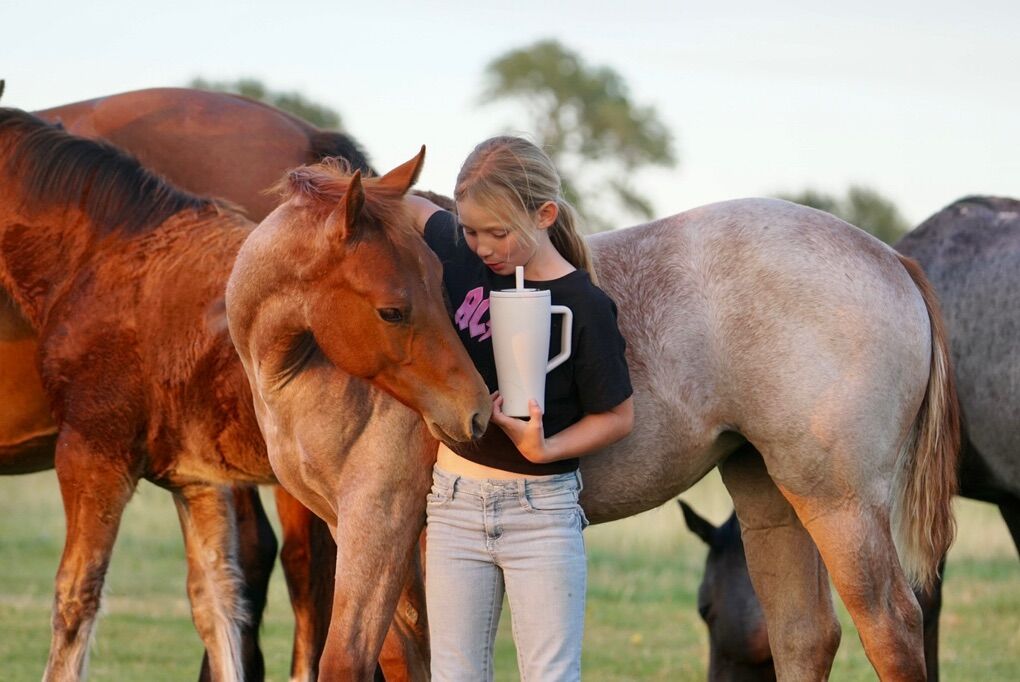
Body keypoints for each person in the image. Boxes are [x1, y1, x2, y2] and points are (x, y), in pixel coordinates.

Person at [406, 136, 634, 682]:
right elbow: (410, 206)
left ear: (545, 214)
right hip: (454, 502)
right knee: (455, 674)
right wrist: (362, 192)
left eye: (498, 233)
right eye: (470, 229)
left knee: (550, 674)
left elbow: (618, 415)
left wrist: (545, 446)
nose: (482, 247)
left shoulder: (584, 305)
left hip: (543, 511)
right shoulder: (463, 255)